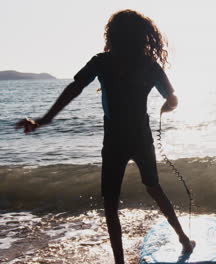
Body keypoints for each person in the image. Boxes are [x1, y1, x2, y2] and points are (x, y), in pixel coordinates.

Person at [15, 9, 194, 264]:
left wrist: (45, 119)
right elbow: (173, 97)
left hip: (114, 141)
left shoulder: (102, 62)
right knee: (154, 188)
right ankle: (184, 240)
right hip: (141, 137)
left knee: (111, 204)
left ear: (113, 34)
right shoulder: (149, 65)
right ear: (143, 35)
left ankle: (120, 262)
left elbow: (74, 89)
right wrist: (168, 106)